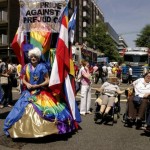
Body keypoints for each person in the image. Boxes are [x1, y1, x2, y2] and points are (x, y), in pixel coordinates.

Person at [4, 47, 78, 138]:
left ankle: (43, 130)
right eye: (31, 57)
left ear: (38, 58)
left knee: (43, 110)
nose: (33, 58)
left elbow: (47, 80)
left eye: (35, 57)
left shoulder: (42, 67)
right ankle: (23, 130)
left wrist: (37, 86)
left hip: (41, 92)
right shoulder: (26, 67)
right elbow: (23, 79)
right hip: (28, 92)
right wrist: (27, 84)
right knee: (21, 109)